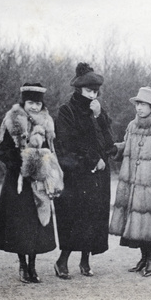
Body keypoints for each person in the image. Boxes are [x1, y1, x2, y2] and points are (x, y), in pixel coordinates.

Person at [0, 83, 63, 283]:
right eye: (31, 102)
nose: (34, 107)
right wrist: (21, 163)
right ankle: (23, 265)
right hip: (18, 181)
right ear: (24, 101)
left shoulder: (47, 122)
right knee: (20, 224)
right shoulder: (12, 119)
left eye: (38, 103)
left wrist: (44, 165)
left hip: (39, 181)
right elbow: (3, 151)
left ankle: (33, 265)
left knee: (37, 224)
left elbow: (51, 149)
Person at [53, 62, 115, 279]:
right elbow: (69, 142)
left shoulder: (97, 111)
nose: (92, 95)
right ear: (79, 89)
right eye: (89, 91)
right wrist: (92, 159)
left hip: (99, 174)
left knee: (94, 216)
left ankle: (85, 260)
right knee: (74, 216)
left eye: (95, 91)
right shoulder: (66, 111)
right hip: (76, 173)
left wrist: (99, 117)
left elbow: (109, 142)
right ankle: (63, 260)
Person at [109, 86, 151, 277]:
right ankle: (142, 258)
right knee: (138, 224)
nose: (138, 108)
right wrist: (116, 149)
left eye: (143, 104)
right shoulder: (132, 126)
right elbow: (127, 147)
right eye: (137, 104)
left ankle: (150, 260)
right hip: (134, 183)